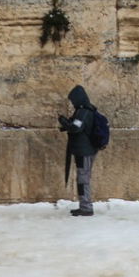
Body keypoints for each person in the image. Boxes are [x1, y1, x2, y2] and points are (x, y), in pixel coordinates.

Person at [58, 85, 98, 217]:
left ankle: (86, 207)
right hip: (83, 150)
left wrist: (64, 122)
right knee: (82, 178)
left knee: (83, 179)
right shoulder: (83, 111)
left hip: (84, 151)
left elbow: (76, 128)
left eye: (73, 100)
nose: (73, 103)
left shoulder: (84, 112)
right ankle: (84, 205)